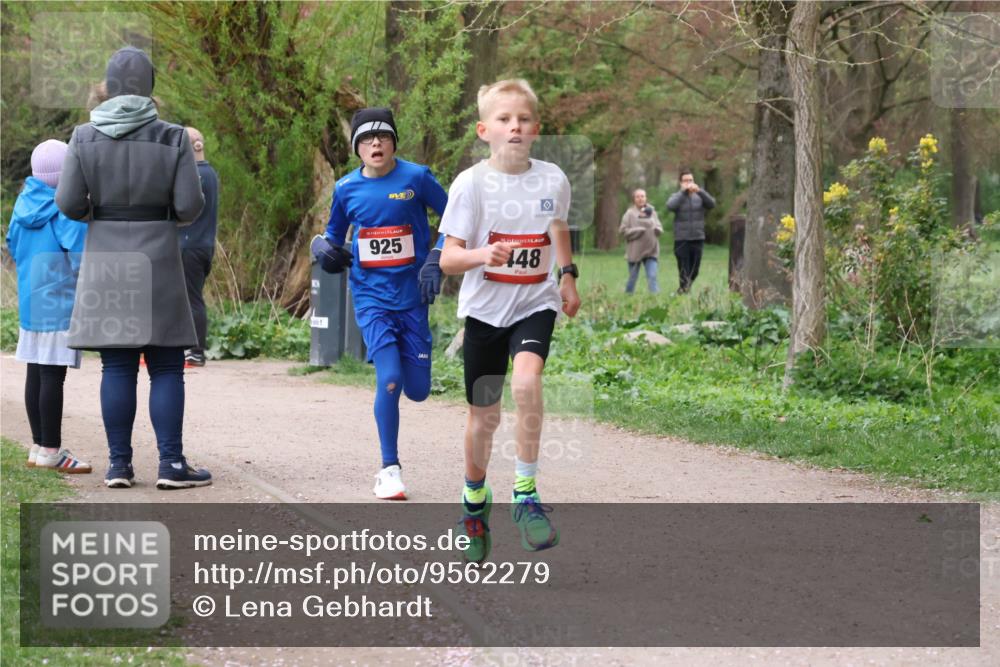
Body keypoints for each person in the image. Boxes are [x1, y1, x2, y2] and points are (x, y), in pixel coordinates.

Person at [56, 46, 211, 490]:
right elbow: (188, 205)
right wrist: (167, 219)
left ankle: (119, 466)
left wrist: (98, 217)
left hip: (106, 255)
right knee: (165, 366)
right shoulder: (174, 137)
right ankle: (170, 465)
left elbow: (67, 202)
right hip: (158, 255)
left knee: (117, 366)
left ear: (108, 85)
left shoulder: (83, 136)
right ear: (150, 86)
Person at [439, 79, 580, 563]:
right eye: (503, 119)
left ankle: (525, 496)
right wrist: (484, 253)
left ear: (536, 129)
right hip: (483, 311)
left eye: (522, 119)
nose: (514, 126)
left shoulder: (553, 179)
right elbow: (448, 260)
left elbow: (557, 228)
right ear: (484, 130)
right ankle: (474, 503)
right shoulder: (470, 184)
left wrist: (567, 277)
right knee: (485, 417)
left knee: (526, 384)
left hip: (534, 303)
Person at [313, 107, 448, 500]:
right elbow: (331, 237)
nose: (376, 144)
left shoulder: (417, 178)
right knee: (389, 378)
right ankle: (389, 468)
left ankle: (419, 360)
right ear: (357, 147)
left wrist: (435, 257)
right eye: (367, 139)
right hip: (371, 297)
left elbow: (458, 218)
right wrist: (323, 249)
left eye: (384, 137)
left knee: (418, 390)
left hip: (413, 296)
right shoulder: (346, 189)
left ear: (393, 143)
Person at [6, 140, 92, 473]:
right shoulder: (64, 208)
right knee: (52, 377)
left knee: (35, 372)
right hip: (59, 302)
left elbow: (12, 244)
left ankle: (39, 446)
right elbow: (80, 256)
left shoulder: (23, 202)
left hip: (31, 300)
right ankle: (53, 451)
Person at [179, 126, 219, 368]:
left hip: (189, 244)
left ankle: (196, 351)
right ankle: (189, 348)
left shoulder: (192, 176)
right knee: (192, 297)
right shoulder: (210, 173)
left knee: (192, 298)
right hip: (204, 244)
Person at [666, 168, 715, 293]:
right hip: (681, 239)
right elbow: (670, 206)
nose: (688, 183)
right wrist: (683, 193)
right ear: (680, 183)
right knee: (684, 269)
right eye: (685, 180)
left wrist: (700, 191)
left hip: (698, 238)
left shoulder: (700, 196)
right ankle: (684, 293)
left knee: (695, 270)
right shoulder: (676, 196)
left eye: (690, 180)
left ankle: (682, 290)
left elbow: (712, 204)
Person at [619, 188, 662, 294]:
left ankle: (655, 299)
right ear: (634, 199)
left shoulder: (652, 211)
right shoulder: (629, 214)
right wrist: (638, 230)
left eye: (642, 196)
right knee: (632, 278)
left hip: (651, 251)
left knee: (652, 276)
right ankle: (628, 296)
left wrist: (656, 229)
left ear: (646, 198)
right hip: (635, 252)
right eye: (638, 196)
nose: (640, 199)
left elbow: (659, 228)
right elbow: (622, 231)